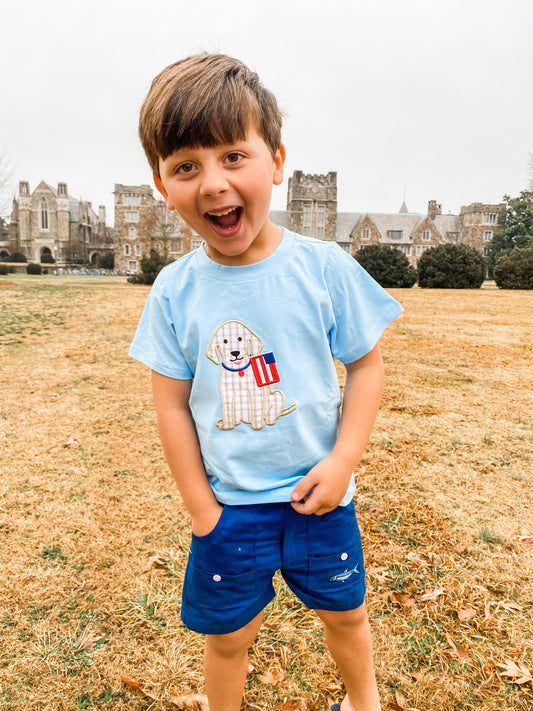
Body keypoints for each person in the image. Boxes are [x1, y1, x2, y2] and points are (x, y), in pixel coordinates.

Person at [129, 53, 403, 711]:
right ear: (162, 185)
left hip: (321, 501)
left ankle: (361, 701)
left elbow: (365, 363)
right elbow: (169, 405)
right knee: (228, 635)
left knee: (345, 613)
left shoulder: (322, 268)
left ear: (275, 161)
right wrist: (201, 507)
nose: (214, 183)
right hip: (231, 508)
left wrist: (342, 460)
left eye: (232, 156)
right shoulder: (175, 291)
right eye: (185, 166)